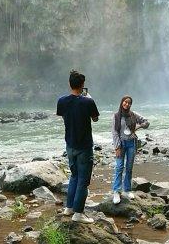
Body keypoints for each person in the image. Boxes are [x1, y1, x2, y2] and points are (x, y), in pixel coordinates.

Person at [56, 70, 100, 223]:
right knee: (83, 180)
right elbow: (95, 119)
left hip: (70, 145)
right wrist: (89, 99)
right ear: (82, 85)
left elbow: (64, 116)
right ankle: (78, 214)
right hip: (84, 146)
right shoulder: (88, 101)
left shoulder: (61, 101)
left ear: (69, 84)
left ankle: (69, 208)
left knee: (74, 176)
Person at [111, 95, 149, 204]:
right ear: (121, 102)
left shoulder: (133, 115)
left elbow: (146, 122)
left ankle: (127, 190)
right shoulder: (116, 116)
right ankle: (117, 191)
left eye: (129, 103)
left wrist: (139, 126)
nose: (126, 104)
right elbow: (114, 133)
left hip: (132, 143)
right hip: (121, 144)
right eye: (125, 102)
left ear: (130, 105)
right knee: (119, 167)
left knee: (129, 167)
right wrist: (117, 147)